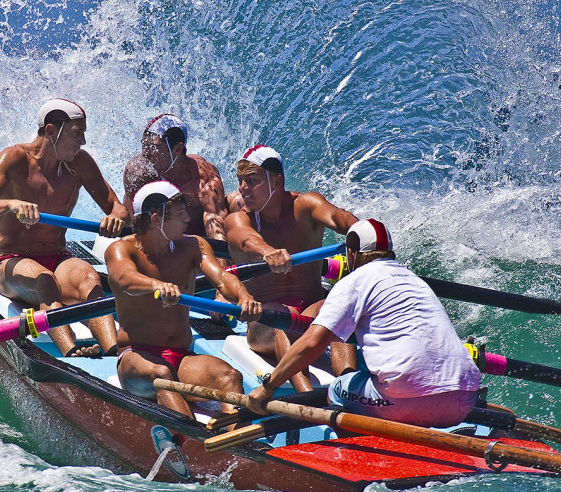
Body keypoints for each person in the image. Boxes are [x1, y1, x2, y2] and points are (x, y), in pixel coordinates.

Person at [247, 219, 481, 428]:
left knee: (337, 389)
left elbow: (311, 343)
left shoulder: (355, 281)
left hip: (404, 402)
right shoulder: (416, 282)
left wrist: (267, 387)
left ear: (351, 252)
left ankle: (350, 451)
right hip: (464, 399)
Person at [0, 98, 130, 358]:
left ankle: (116, 354)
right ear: (52, 131)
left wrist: (116, 218)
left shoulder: (81, 163)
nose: (83, 142)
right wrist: (11, 205)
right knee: (45, 281)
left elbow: (117, 207)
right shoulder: (14, 159)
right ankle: (71, 352)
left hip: (58, 256)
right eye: (78, 134)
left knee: (90, 279)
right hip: (13, 262)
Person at [105, 181, 261, 418]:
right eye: (180, 214)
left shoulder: (194, 245)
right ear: (156, 220)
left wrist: (244, 296)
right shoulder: (121, 249)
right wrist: (156, 285)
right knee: (162, 374)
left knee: (229, 377)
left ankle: (237, 442)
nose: (188, 219)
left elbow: (221, 278)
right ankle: (192, 443)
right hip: (136, 359)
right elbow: (124, 279)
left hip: (181, 357)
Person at [224, 145, 359, 388]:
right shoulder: (237, 219)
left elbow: (340, 218)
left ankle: (348, 385)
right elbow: (244, 239)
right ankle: (306, 398)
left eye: (251, 181)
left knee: (341, 307)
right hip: (265, 324)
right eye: (240, 181)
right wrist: (267, 252)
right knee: (282, 319)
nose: (242, 188)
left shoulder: (307, 205)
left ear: (277, 181)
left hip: (310, 313)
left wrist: (361, 232)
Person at [123, 114, 229, 243]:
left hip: (199, 241)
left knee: (236, 200)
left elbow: (215, 223)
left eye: (153, 147)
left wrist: (223, 261)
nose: (145, 153)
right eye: (144, 145)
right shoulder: (138, 172)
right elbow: (136, 224)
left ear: (177, 149)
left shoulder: (202, 178)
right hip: (160, 240)